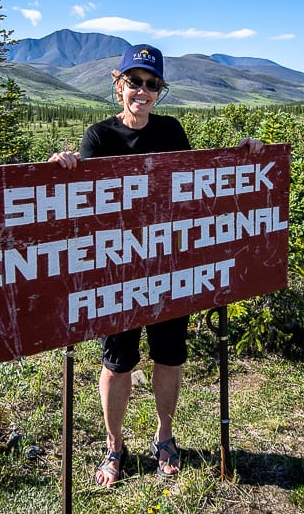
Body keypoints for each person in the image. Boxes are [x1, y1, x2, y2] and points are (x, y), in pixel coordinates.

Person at [50, 44, 262, 488]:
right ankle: (114, 446)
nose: (142, 91)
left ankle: (165, 438)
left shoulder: (171, 130)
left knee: (169, 356)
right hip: (118, 271)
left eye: (152, 84)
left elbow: (196, 184)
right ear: (118, 85)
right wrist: (62, 168)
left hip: (168, 268)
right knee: (118, 362)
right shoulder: (100, 137)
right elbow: (79, 202)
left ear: (159, 91)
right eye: (134, 82)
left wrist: (244, 158)